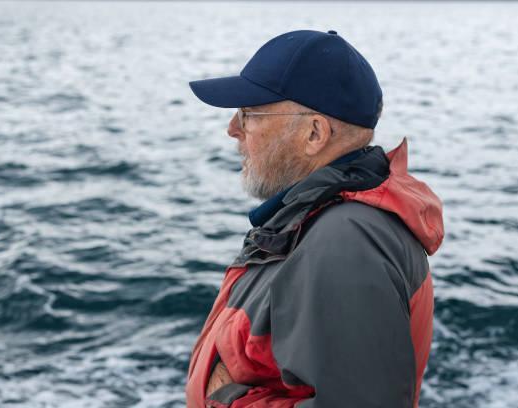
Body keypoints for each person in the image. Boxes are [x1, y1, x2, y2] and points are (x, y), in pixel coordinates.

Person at [185, 30, 444, 408]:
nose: (233, 130)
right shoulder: (316, 222)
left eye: (249, 113)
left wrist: (221, 398)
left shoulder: (346, 242)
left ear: (314, 133)